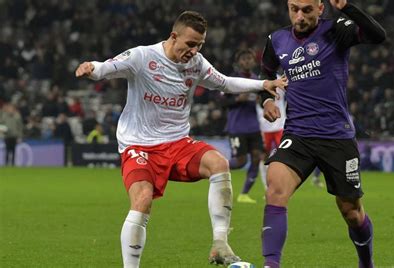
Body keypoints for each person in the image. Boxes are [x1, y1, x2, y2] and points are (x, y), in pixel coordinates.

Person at [75, 11, 287, 267]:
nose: (194, 50)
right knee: (142, 199)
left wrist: (262, 84)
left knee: (219, 163)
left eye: (200, 45)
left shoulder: (197, 64)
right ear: (174, 36)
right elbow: (106, 68)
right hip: (139, 144)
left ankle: (220, 244)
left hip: (177, 143)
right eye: (190, 44)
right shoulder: (142, 56)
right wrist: (91, 68)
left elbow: (225, 82)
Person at [258, 0, 386, 267]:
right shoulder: (277, 39)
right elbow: (267, 73)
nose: (299, 16)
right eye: (294, 9)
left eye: (306, 10)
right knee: (275, 190)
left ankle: (367, 263)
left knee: (351, 212)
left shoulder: (337, 29)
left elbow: (377, 36)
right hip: (298, 134)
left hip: (336, 136)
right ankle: (271, 265)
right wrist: (267, 100)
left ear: (319, 8)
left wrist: (348, 7)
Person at [223, 49, 266, 204]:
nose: (247, 61)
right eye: (244, 58)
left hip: (254, 127)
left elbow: (262, 101)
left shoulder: (257, 80)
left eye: (250, 58)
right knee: (240, 161)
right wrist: (237, 100)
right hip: (236, 127)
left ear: (254, 61)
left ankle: (244, 194)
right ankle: (216, 167)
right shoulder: (231, 80)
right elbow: (221, 102)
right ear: (239, 62)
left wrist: (260, 101)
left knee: (257, 158)